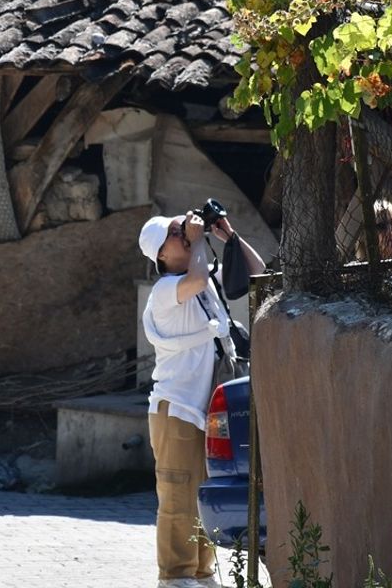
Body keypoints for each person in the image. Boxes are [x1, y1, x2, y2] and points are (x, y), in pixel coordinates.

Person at [137, 211, 265, 588]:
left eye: (184, 228)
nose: (186, 233)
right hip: (176, 410)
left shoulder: (203, 280)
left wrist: (230, 238)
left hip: (209, 412)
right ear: (160, 254)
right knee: (178, 494)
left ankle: (200, 572)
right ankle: (173, 576)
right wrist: (197, 241)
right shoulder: (164, 291)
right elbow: (193, 278)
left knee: (205, 492)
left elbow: (256, 273)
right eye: (177, 233)